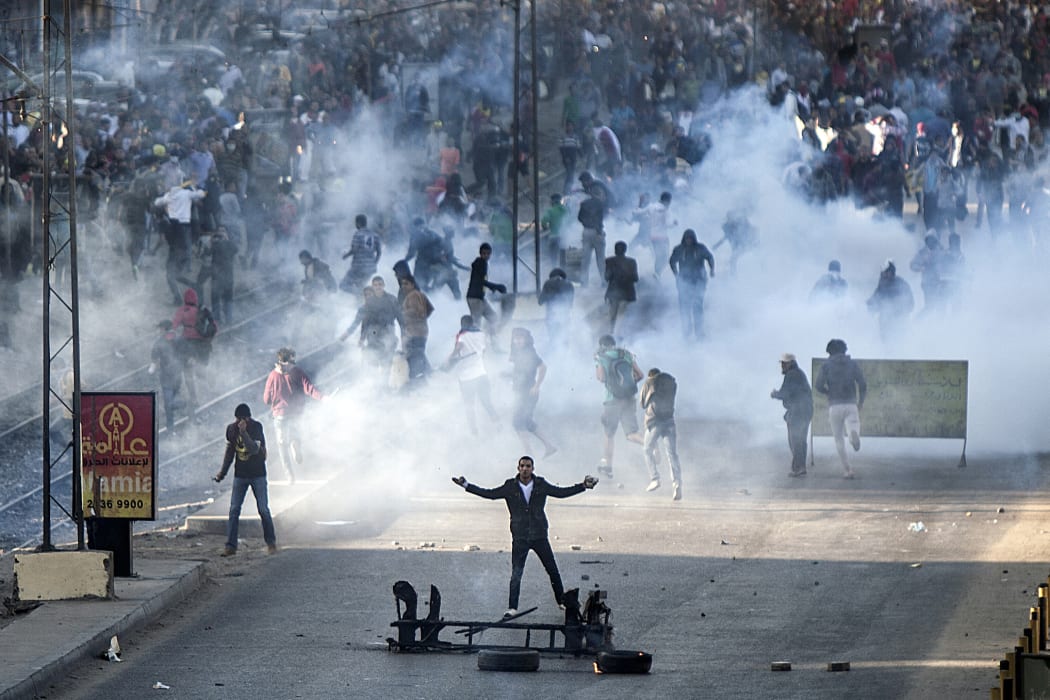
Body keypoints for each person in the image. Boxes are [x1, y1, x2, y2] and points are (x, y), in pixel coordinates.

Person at [451, 456, 598, 617]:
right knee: (516, 574)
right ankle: (512, 608)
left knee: (552, 570)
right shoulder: (510, 486)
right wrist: (466, 485)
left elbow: (560, 493)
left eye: (528, 466)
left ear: (532, 468)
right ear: (518, 468)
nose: (525, 469)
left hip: (539, 535)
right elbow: (490, 494)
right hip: (520, 537)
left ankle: (561, 601)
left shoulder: (541, 484)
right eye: (522, 466)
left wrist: (583, 486)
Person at [214, 403, 277, 556]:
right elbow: (230, 452)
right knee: (234, 510)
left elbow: (254, 449)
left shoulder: (256, 427)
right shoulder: (231, 429)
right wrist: (222, 473)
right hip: (240, 475)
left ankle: (271, 543)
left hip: (258, 474)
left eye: (244, 419)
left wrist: (244, 433)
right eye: (238, 419)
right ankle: (231, 546)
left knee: (263, 509)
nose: (241, 422)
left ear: (249, 418)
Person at [262, 347, 325, 484]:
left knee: (281, 443)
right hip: (295, 412)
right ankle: (295, 444)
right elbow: (309, 388)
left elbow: (266, 399)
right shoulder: (296, 372)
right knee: (295, 432)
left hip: (280, 414)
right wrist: (322, 398)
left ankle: (289, 475)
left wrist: (275, 399)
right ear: (290, 359)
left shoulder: (272, 376)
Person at [814, 339, 866, 479]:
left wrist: (828, 392)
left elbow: (818, 385)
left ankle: (847, 470)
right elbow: (862, 383)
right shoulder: (852, 364)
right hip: (850, 403)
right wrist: (860, 401)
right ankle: (853, 435)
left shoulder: (826, 366)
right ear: (844, 350)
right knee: (853, 424)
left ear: (830, 352)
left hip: (834, 405)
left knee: (838, 438)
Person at [593, 334, 644, 478]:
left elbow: (601, 378)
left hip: (612, 401)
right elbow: (640, 374)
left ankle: (608, 467)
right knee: (631, 433)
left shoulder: (600, 357)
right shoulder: (625, 354)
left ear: (601, 345)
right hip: (629, 398)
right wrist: (627, 385)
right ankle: (649, 444)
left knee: (609, 435)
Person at [445, 315, 498, 434]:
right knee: (486, 401)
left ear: (462, 324)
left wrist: (448, 361)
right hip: (481, 374)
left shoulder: (462, 336)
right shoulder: (481, 334)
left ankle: (474, 432)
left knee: (469, 406)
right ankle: (497, 424)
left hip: (466, 378)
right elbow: (483, 351)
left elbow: (457, 350)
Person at [508, 327, 556, 456]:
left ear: (526, 339)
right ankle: (548, 447)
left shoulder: (530, 353)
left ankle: (529, 453)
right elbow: (519, 371)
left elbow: (543, 367)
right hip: (520, 391)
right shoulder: (518, 353)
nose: (517, 341)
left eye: (520, 338)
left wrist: (537, 385)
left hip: (528, 392)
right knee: (526, 422)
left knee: (518, 421)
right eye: (515, 339)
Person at [340, 276, 401, 374]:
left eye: (380, 284)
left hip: (387, 338)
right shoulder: (365, 307)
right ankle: (375, 384)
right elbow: (358, 324)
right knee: (373, 364)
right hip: (373, 341)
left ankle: (386, 383)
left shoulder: (389, 302)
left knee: (387, 364)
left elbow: (398, 319)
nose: (378, 287)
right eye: (366, 295)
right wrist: (347, 337)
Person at [639, 368, 682, 500]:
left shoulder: (649, 382)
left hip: (655, 421)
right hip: (669, 421)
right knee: (672, 454)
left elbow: (642, 403)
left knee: (647, 449)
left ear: (651, 375)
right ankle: (677, 483)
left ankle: (655, 478)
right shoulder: (672, 383)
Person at [770, 353, 814, 477]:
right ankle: (800, 467)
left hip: (798, 411)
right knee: (800, 439)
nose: (782, 366)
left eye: (784, 364)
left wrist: (775, 394)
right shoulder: (798, 373)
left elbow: (786, 393)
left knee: (795, 439)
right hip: (804, 410)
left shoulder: (792, 375)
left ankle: (798, 467)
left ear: (789, 363)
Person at [668, 229, 715, 341]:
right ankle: (686, 331)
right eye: (687, 239)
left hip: (699, 280)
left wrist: (712, 269)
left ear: (694, 239)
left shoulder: (700, 248)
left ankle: (699, 332)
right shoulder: (679, 249)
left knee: (697, 306)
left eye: (690, 238)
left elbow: (710, 257)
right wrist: (676, 274)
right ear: (684, 239)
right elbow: (672, 261)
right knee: (684, 307)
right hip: (684, 281)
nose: (688, 241)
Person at [466, 242, 507, 348]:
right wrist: (495, 286)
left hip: (480, 298)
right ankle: (475, 347)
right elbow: (479, 281)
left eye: (488, 254)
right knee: (476, 324)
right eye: (484, 253)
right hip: (474, 298)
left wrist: (492, 287)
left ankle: (493, 343)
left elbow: (482, 281)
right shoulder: (480, 263)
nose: (486, 256)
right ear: (480, 253)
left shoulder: (482, 263)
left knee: (493, 318)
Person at [399, 274, 435, 387]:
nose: (403, 286)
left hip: (414, 332)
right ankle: (429, 374)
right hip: (422, 331)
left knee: (414, 357)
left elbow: (415, 311)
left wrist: (401, 315)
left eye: (406, 284)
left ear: (412, 284)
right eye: (402, 284)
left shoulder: (412, 296)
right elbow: (430, 309)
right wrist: (422, 320)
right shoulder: (421, 295)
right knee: (419, 354)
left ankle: (421, 381)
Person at [866, 260, 914, 343]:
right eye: (882, 272)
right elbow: (876, 297)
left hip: (899, 322)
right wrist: (869, 305)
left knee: (898, 343)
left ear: (890, 273)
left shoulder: (901, 284)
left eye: (884, 272)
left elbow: (910, 304)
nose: (882, 274)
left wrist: (900, 312)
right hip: (885, 321)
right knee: (886, 342)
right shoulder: (882, 284)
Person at [149, 320, 183, 433]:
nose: (159, 330)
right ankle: (170, 428)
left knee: (169, 403)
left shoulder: (161, 341)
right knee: (171, 401)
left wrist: (152, 368)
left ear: (164, 329)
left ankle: (171, 426)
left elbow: (154, 356)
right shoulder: (178, 338)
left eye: (160, 328)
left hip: (168, 376)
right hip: (174, 375)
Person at [603, 240, 639, 335]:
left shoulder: (609, 261)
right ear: (625, 250)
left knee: (612, 316)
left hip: (613, 292)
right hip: (627, 293)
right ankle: (618, 335)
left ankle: (611, 334)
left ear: (615, 250)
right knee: (621, 317)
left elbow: (606, 277)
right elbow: (635, 278)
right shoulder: (632, 262)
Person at [340, 214, 382, 293]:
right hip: (370, 269)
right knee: (361, 286)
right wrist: (374, 263)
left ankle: (358, 295)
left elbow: (354, 249)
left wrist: (345, 256)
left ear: (358, 223)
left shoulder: (358, 234)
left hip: (358, 267)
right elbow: (379, 252)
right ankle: (361, 299)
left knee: (343, 285)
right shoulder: (375, 235)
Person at [537, 268, 575, 347]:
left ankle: (553, 356)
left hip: (552, 315)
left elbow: (540, 301)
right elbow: (570, 304)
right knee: (564, 338)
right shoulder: (570, 284)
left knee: (553, 338)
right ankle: (565, 357)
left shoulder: (548, 283)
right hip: (565, 316)